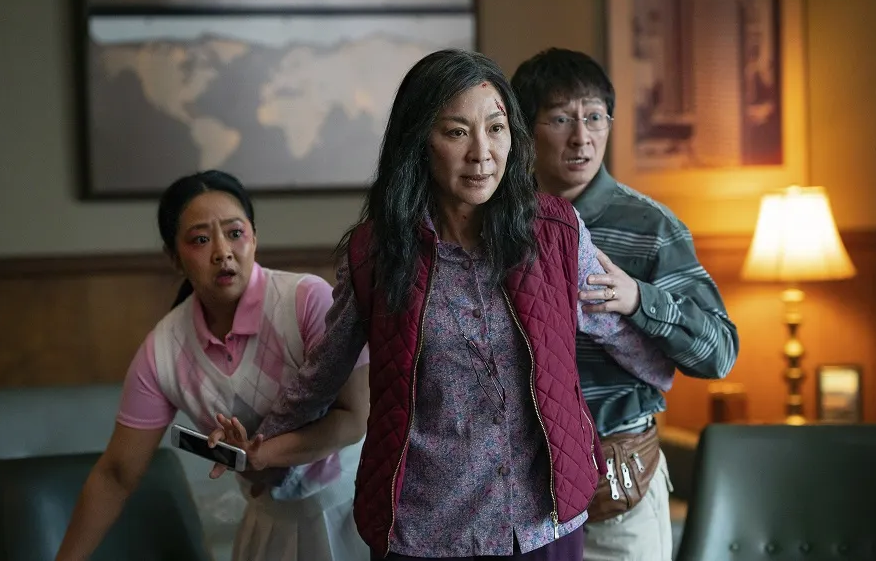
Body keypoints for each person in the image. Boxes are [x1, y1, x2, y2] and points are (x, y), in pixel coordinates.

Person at [206, 49, 677, 561]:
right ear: (420, 142)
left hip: (541, 523)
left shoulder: (556, 230)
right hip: (424, 529)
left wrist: (664, 363)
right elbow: (323, 370)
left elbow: (611, 327)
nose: (482, 153)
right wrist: (262, 442)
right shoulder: (377, 253)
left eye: (495, 128)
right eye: (457, 132)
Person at [55, 170, 370, 561]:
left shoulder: (306, 301)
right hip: (269, 526)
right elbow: (116, 474)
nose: (223, 252)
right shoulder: (163, 350)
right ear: (174, 257)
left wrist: (263, 454)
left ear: (254, 237)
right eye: (201, 240)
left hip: (355, 511)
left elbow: (355, 418)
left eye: (235, 233)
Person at [511, 48, 740, 561]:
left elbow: (720, 353)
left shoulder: (650, 227)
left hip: (616, 492)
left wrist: (638, 299)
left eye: (595, 117)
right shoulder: (499, 224)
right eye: (561, 119)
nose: (582, 137)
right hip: (523, 494)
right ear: (526, 130)